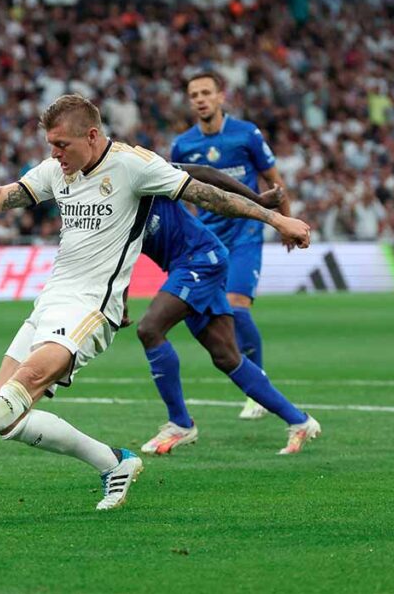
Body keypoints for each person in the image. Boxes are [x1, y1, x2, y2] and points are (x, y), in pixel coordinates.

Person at [0, 94, 311, 510]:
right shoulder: (56, 170)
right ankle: (114, 463)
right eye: (51, 145)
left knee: (24, 384)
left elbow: (205, 192)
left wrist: (276, 218)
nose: (55, 154)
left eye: (62, 145)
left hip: (92, 307)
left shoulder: (133, 165)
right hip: (50, 302)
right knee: (7, 416)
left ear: (92, 136)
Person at [132, 162, 320, 455]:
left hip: (200, 258)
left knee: (150, 329)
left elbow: (203, 173)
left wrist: (256, 199)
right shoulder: (102, 204)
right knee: (226, 356)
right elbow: (117, 257)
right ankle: (300, 421)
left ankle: (180, 423)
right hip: (186, 265)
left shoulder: (135, 167)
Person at [171, 71, 293, 421]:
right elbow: (179, 194)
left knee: (238, 308)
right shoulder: (183, 145)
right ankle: (254, 386)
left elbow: (274, 180)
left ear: (221, 97)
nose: (200, 99)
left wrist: (286, 221)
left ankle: (259, 391)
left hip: (245, 233)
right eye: (194, 94)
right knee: (218, 316)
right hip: (208, 239)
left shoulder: (246, 134)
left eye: (206, 92)